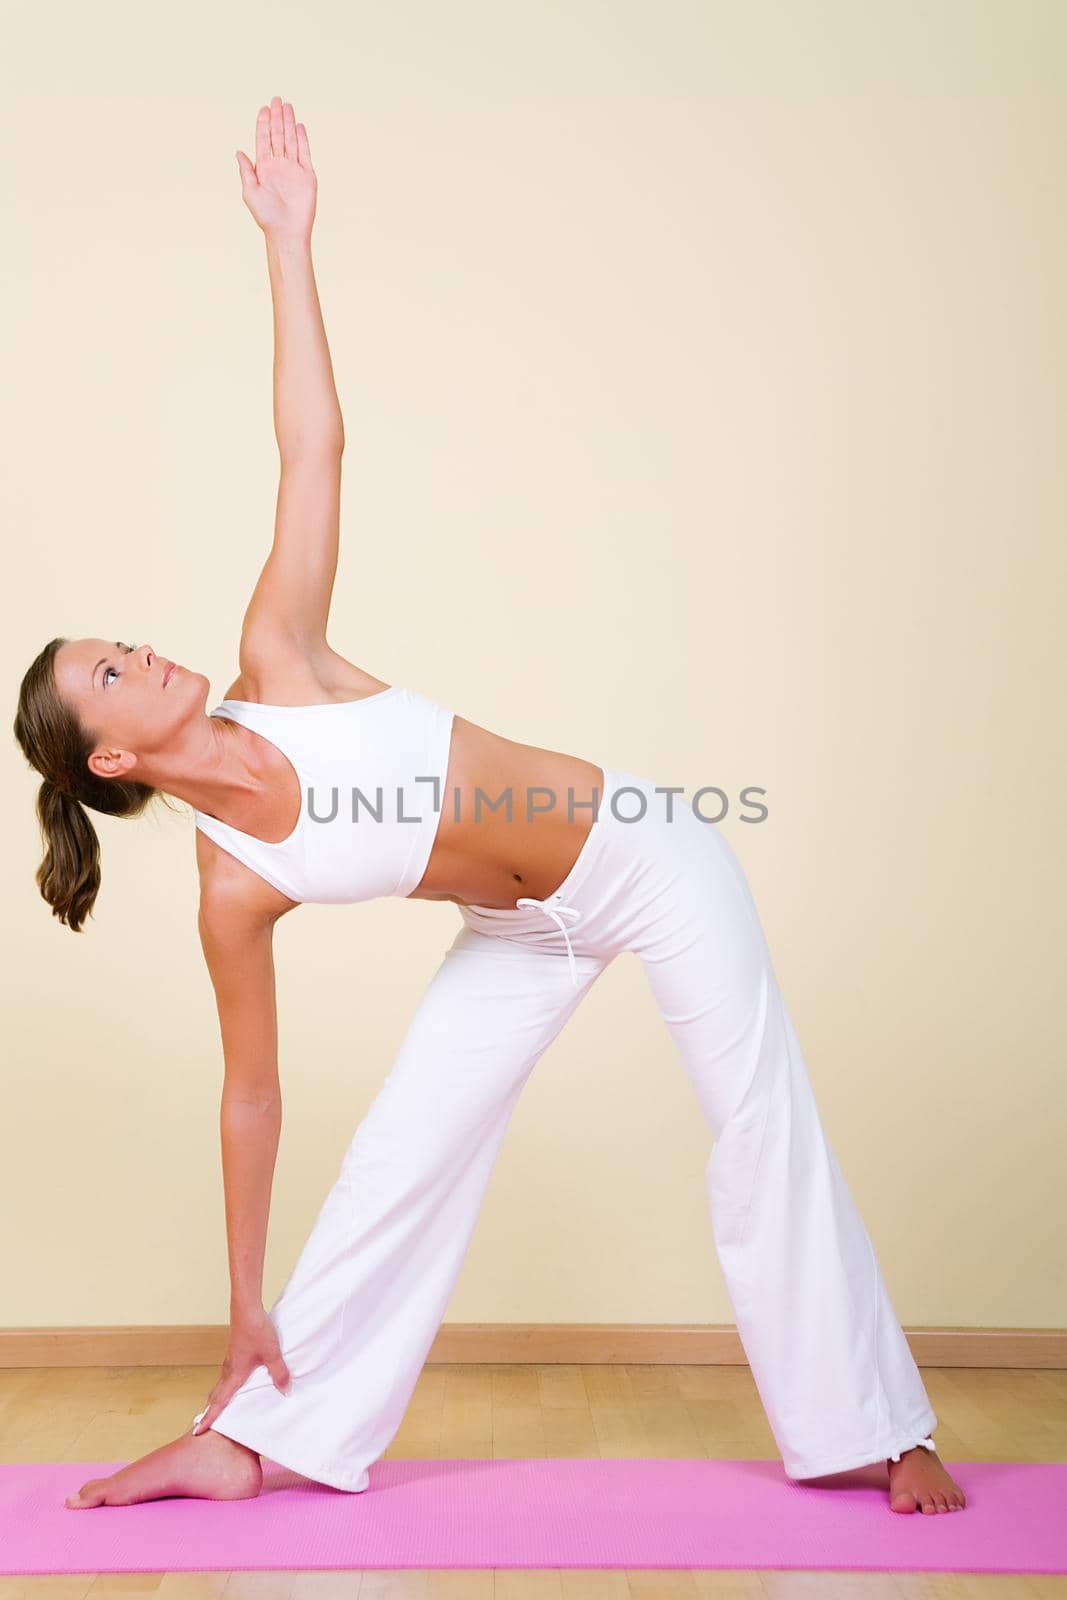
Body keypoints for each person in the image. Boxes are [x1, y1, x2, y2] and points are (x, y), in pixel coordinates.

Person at [14, 99, 965, 1517]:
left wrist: (291, 243)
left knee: (757, 1110)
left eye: (120, 638)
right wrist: (236, 1296)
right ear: (109, 762)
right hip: (525, 933)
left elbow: (313, 453)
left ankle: (876, 1428)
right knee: (403, 1153)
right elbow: (252, 1095)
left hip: (640, 855)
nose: (138, 650)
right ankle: (249, 1432)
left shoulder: (282, 661)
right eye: (110, 671)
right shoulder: (231, 885)